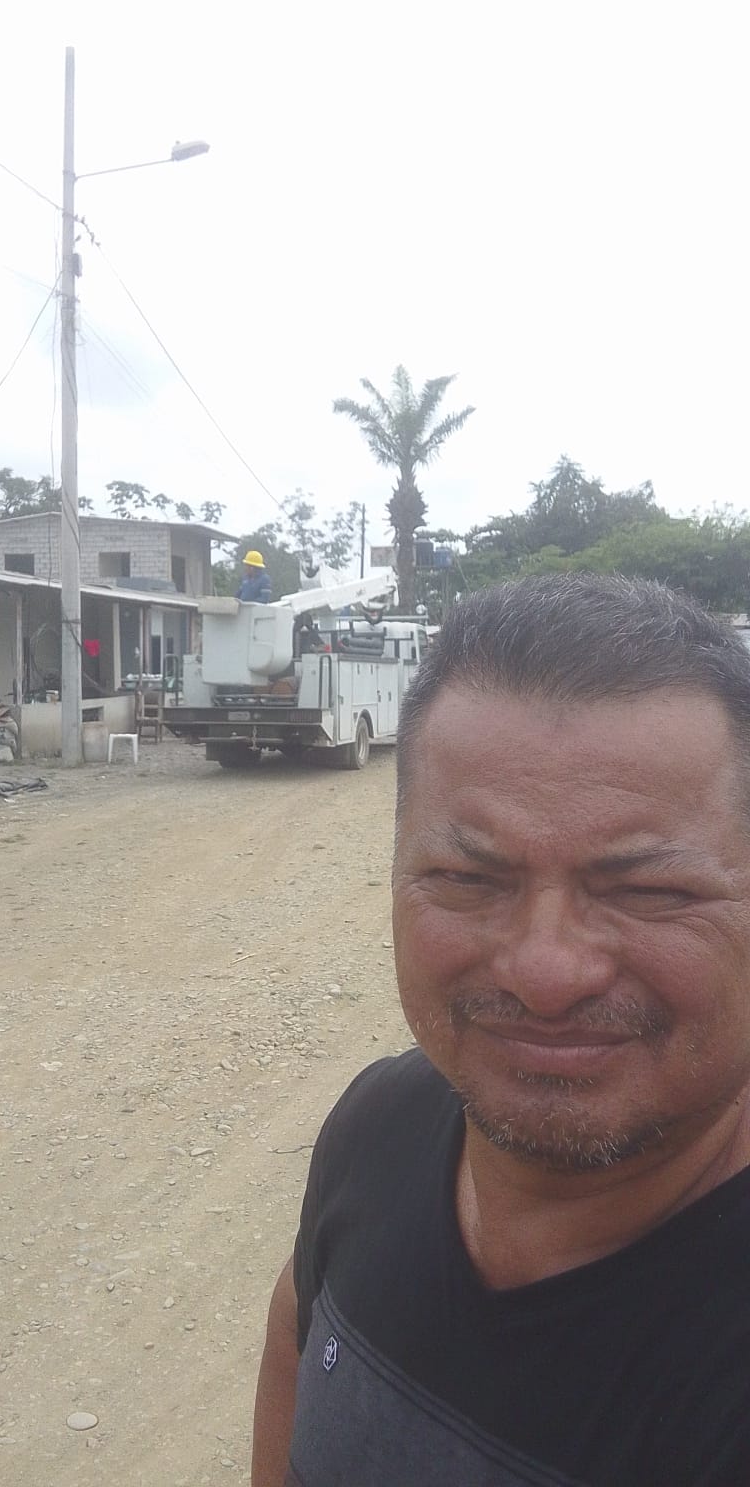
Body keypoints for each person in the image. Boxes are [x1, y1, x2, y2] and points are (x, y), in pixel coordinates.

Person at [252, 574, 750, 1487]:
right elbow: (299, 1322)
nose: (546, 973)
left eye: (649, 891)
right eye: (468, 880)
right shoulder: (382, 1121)